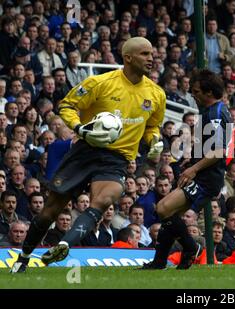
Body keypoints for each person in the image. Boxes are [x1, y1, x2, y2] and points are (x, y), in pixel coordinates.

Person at [11, 37, 166, 273]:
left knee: (104, 200)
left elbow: (152, 126)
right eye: (145, 53)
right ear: (128, 57)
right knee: (49, 212)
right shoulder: (100, 83)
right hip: (85, 151)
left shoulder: (156, 94)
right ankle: (23, 258)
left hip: (117, 159)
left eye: (151, 53)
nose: (151, 58)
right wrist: (79, 128)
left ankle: (64, 244)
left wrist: (154, 140)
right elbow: (66, 106)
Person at [141, 69, 231, 270]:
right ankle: (159, 262)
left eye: (197, 90)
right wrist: (192, 163)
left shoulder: (217, 113)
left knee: (163, 208)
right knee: (170, 216)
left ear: (209, 92)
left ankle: (190, 248)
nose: (193, 94)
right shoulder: (210, 111)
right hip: (203, 173)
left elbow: (219, 151)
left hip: (207, 178)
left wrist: (193, 170)